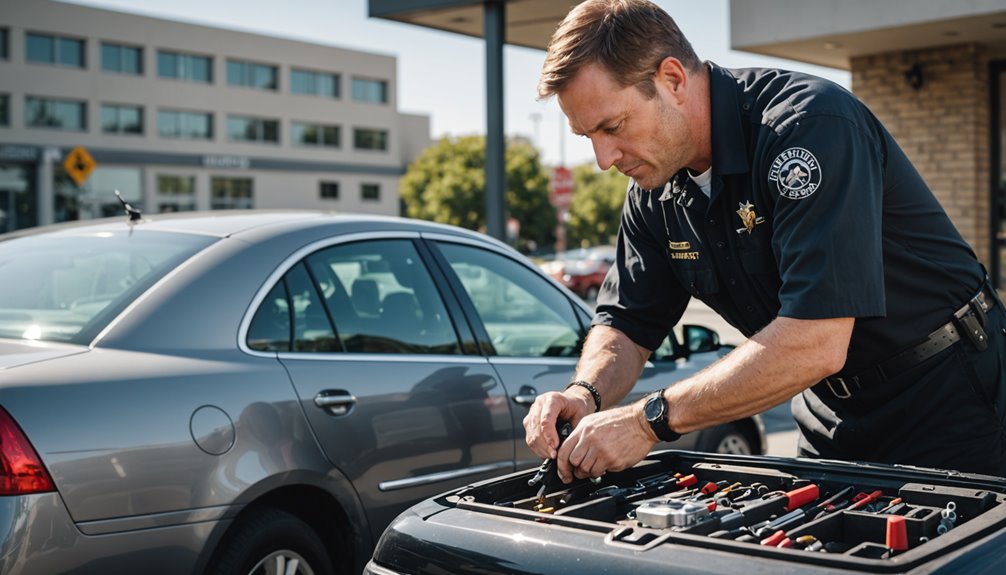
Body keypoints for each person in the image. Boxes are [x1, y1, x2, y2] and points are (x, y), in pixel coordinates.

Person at [523, 0, 1006, 482]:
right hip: (828, 413)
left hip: (949, 396)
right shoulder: (653, 190)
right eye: (588, 136)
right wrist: (585, 394)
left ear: (672, 79)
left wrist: (648, 421)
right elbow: (628, 323)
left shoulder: (809, 128)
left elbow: (816, 340)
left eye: (613, 126)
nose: (604, 158)